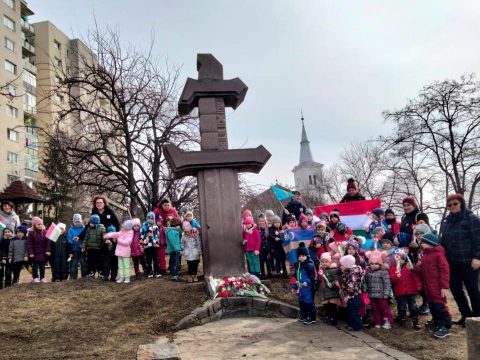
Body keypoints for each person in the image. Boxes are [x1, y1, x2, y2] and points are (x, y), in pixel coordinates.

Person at [440, 193, 480, 327]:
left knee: (472, 290)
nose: (452, 206)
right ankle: (466, 316)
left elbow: (478, 239)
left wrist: (477, 257)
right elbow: (443, 242)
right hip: (452, 263)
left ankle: (477, 318)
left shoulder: (472, 219)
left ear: (461, 204)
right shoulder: (446, 222)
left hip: (469, 262)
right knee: (456, 290)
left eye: (455, 203)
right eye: (449, 205)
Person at [415, 233, 451, 339]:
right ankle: (438, 323)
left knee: (440, 307)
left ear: (430, 243)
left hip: (438, 287)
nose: (421, 244)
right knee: (433, 306)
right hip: (428, 287)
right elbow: (421, 271)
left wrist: (444, 286)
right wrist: (414, 268)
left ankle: (445, 326)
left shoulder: (438, 255)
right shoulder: (425, 255)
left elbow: (445, 270)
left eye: (423, 242)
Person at [389, 248, 421, 329]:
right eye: (398, 259)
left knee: (413, 306)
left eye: (402, 259)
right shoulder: (393, 268)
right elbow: (392, 280)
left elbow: (415, 277)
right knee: (401, 306)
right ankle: (402, 319)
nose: (400, 260)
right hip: (400, 292)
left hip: (411, 290)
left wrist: (418, 285)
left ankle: (415, 320)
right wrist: (396, 276)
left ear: (405, 259)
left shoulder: (409, 267)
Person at [91, 196, 120, 282]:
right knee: (104, 257)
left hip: (112, 236)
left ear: (104, 203)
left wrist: (115, 235)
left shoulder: (109, 211)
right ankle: (105, 274)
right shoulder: (94, 212)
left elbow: (117, 223)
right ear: (95, 204)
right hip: (101, 237)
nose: (99, 204)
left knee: (114, 257)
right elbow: (91, 224)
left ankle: (114, 275)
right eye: (97, 203)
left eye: (100, 202)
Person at [365, 252, 393, 329]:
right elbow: (366, 283)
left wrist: (386, 293)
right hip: (372, 295)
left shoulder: (383, 272)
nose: (374, 265)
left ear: (380, 264)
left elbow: (387, 283)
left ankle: (387, 321)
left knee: (384, 309)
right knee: (375, 309)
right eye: (372, 263)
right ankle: (378, 322)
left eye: (376, 263)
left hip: (381, 295)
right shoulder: (368, 273)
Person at [291, 242, 317, 325]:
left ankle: (311, 317)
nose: (301, 258)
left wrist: (307, 282)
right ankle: (303, 315)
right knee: (301, 301)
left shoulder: (309, 265)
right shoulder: (297, 265)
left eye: (303, 256)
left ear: (307, 255)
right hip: (300, 288)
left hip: (308, 288)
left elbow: (312, 276)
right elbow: (294, 276)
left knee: (308, 302)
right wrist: (294, 286)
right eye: (299, 256)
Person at [103, 219, 134, 284]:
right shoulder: (121, 232)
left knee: (126, 265)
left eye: (123, 226)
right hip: (119, 252)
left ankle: (127, 277)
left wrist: (118, 240)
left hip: (125, 253)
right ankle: (121, 277)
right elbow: (114, 233)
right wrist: (107, 235)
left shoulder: (130, 233)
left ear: (127, 227)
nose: (122, 227)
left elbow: (127, 242)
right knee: (120, 266)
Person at [339, 254, 364, 331]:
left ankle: (357, 325)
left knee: (353, 311)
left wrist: (347, 296)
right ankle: (351, 324)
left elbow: (351, 286)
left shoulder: (351, 274)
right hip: (352, 295)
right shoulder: (349, 272)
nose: (341, 266)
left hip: (353, 295)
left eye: (342, 265)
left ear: (347, 265)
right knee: (349, 310)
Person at [79, 214, 106, 279]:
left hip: (98, 249)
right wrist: (83, 247)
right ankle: (91, 272)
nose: (90, 224)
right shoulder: (88, 229)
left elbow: (104, 237)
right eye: (90, 223)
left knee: (99, 261)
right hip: (90, 248)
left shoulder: (102, 229)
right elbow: (85, 238)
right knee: (90, 261)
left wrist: (105, 241)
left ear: (96, 223)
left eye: (91, 223)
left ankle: (100, 272)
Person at [317, 252, 341, 325]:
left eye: (326, 262)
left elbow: (337, 280)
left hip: (332, 292)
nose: (324, 263)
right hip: (324, 292)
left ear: (330, 262)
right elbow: (320, 280)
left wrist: (333, 284)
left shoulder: (333, 270)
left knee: (332, 307)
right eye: (322, 262)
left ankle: (333, 319)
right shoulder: (321, 271)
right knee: (326, 307)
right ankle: (328, 317)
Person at [26, 217, 51, 284]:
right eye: (38, 224)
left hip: (43, 253)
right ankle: (35, 277)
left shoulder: (45, 232)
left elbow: (48, 242)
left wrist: (48, 250)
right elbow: (29, 244)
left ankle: (42, 277)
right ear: (34, 225)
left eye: (41, 224)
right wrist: (31, 252)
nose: (40, 225)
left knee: (42, 266)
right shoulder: (31, 233)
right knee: (35, 267)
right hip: (34, 254)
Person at [141, 212, 161, 279]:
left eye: (152, 218)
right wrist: (143, 244)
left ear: (154, 219)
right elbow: (141, 236)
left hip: (155, 246)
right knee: (148, 260)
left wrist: (156, 242)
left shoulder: (156, 227)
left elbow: (158, 235)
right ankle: (150, 272)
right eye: (149, 218)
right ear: (147, 218)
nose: (150, 219)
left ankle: (156, 271)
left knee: (156, 259)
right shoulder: (144, 226)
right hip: (147, 246)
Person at [67, 214, 87, 280]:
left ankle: (84, 276)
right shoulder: (71, 230)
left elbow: (85, 237)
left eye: (78, 221)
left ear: (81, 221)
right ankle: (73, 277)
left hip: (82, 249)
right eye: (76, 222)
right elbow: (68, 239)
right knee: (73, 264)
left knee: (83, 263)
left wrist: (83, 244)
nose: (77, 223)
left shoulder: (84, 228)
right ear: (73, 222)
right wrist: (72, 240)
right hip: (74, 250)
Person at [165, 217, 182, 281]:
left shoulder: (175, 230)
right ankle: (174, 276)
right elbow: (172, 241)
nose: (180, 227)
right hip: (174, 249)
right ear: (175, 225)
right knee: (174, 263)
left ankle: (176, 274)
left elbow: (180, 235)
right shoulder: (171, 231)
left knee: (176, 262)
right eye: (179, 225)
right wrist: (177, 248)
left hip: (176, 249)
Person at [257, 214, 271, 279]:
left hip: (267, 249)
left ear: (265, 221)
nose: (262, 222)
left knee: (268, 262)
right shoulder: (257, 229)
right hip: (260, 249)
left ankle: (269, 273)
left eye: (263, 221)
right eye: (260, 221)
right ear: (258, 222)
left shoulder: (267, 229)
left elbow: (269, 238)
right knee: (261, 263)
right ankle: (262, 274)